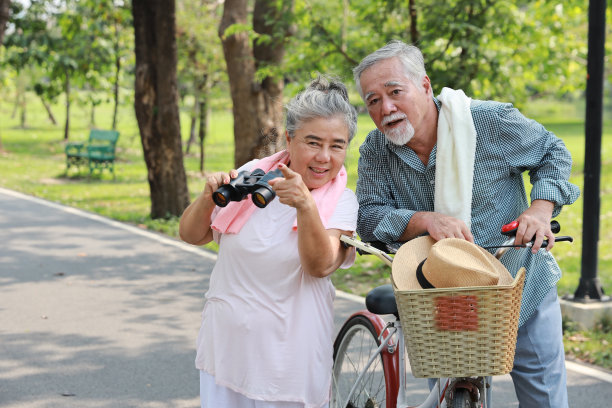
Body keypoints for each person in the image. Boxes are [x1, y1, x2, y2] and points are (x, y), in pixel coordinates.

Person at [353, 40, 580, 407]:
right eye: (373, 100)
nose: (386, 108)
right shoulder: (376, 150)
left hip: (518, 284)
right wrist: (424, 221)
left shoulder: (487, 121)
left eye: (395, 92)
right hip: (440, 295)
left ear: (425, 85)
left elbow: (553, 152)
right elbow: (368, 214)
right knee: (444, 398)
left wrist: (539, 212)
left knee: (545, 400)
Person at [179, 76, 359, 408]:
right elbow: (192, 234)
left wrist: (305, 205)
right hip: (227, 351)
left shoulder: (343, 203)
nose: (324, 157)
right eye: (313, 142)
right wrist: (207, 198)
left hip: (286, 364)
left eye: (337, 145)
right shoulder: (255, 172)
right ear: (289, 139)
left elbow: (319, 266)